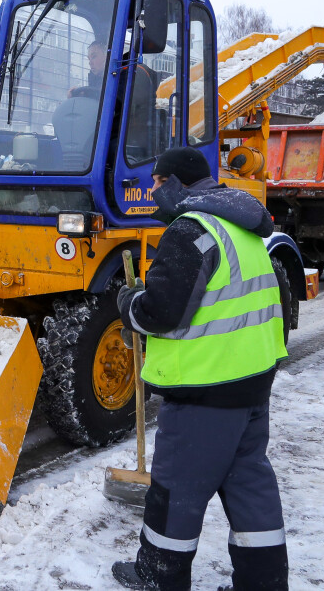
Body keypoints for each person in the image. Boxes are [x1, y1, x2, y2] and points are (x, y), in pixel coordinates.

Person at [111, 146, 289, 591]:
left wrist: (128, 304)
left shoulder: (191, 231)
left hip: (205, 390)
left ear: (174, 182)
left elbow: (162, 313)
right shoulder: (241, 226)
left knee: (175, 493)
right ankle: (263, 583)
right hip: (252, 381)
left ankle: (158, 578)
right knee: (249, 485)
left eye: (155, 182)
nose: (151, 191)